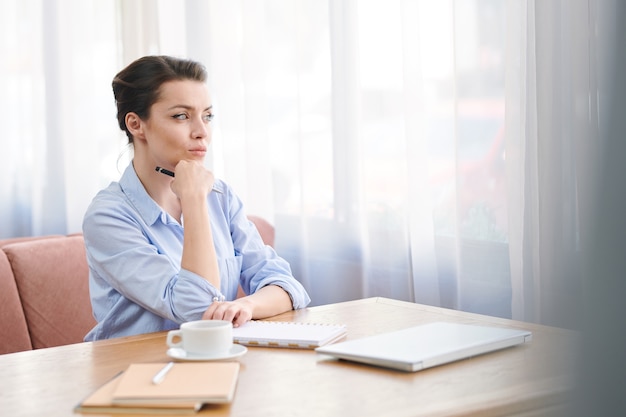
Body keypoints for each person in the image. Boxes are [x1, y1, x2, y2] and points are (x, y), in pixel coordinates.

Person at [82, 55, 310, 341]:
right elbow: (196, 309)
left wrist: (245, 306)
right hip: (135, 372)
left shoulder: (221, 197)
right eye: (181, 116)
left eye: (207, 116)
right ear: (136, 124)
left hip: (211, 361)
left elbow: (287, 286)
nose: (202, 132)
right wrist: (193, 202)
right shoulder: (107, 216)